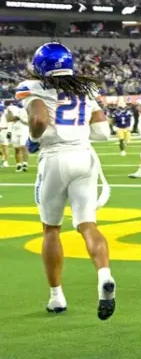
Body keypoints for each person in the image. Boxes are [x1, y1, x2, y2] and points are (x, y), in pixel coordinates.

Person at [16, 42, 116, 320]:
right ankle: (104, 275)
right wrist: (77, 133)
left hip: (55, 159)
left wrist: (35, 139)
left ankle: (56, 297)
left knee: (51, 229)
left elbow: (38, 118)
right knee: (88, 225)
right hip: (85, 159)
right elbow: (103, 132)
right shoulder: (86, 88)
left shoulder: (33, 87)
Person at [5, 100, 29, 172]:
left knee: (23, 146)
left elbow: (27, 122)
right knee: (16, 148)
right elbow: (9, 119)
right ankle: (18, 165)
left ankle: (25, 164)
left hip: (24, 130)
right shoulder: (11, 110)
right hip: (14, 131)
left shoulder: (26, 110)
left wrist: (19, 117)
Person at [0, 101, 10, 168]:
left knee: (5, 147)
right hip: (2, 130)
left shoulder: (6, 114)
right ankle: (3, 159)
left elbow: (8, 124)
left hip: (4, 131)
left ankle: (5, 162)